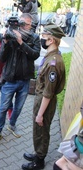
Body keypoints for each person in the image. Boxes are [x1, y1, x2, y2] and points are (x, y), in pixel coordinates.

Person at [0, 13, 41, 147]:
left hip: (24, 81)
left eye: (27, 24)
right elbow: (1, 58)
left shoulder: (35, 38)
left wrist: (21, 42)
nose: (24, 26)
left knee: (18, 108)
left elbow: (35, 54)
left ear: (31, 25)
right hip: (9, 80)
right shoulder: (10, 36)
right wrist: (6, 42)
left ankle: (12, 124)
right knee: (2, 109)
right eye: (22, 23)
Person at [21, 23, 66, 170]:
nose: (42, 39)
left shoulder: (53, 62)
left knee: (41, 130)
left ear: (51, 40)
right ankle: (38, 153)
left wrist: (40, 114)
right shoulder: (51, 56)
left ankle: (39, 161)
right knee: (39, 130)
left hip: (44, 101)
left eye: (44, 37)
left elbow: (48, 92)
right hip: (42, 99)